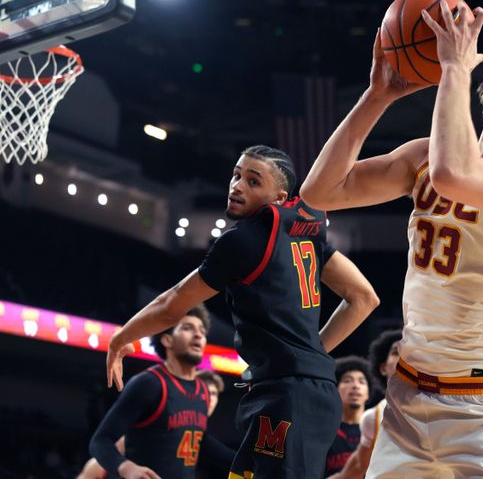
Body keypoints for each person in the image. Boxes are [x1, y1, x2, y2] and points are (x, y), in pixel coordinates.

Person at [301, 0, 483, 479]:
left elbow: (454, 175)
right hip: (407, 398)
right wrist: (377, 97)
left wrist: (455, 65)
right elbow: (320, 191)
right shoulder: (423, 157)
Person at [104, 145, 380, 479]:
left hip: (286, 395)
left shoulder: (244, 240)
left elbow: (171, 304)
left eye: (253, 181)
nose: (237, 186)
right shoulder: (308, 236)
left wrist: (122, 337)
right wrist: (313, 354)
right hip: (305, 391)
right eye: (236, 175)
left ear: (278, 197)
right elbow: (363, 297)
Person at [88, 306, 234, 478]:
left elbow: (199, 439)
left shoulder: (202, 389)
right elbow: (100, 441)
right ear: (167, 340)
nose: (198, 335)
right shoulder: (149, 383)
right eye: (187, 328)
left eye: (202, 331)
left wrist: (245, 460)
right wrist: (126, 467)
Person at [79, 367, 229, 479]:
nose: (209, 399)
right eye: (205, 393)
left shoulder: (197, 436)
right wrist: (123, 466)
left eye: (214, 394)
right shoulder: (151, 429)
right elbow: (105, 446)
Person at [328, 329, 401, 479]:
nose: (355, 386)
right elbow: (355, 469)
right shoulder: (374, 418)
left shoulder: (445, 400)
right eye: (396, 352)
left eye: (361, 382)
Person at [324, 356, 370, 477]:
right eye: (347, 380)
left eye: (362, 381)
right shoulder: (324, 431)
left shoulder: (379, 430)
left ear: (368, 393)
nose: (355, 385)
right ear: (336, 390)